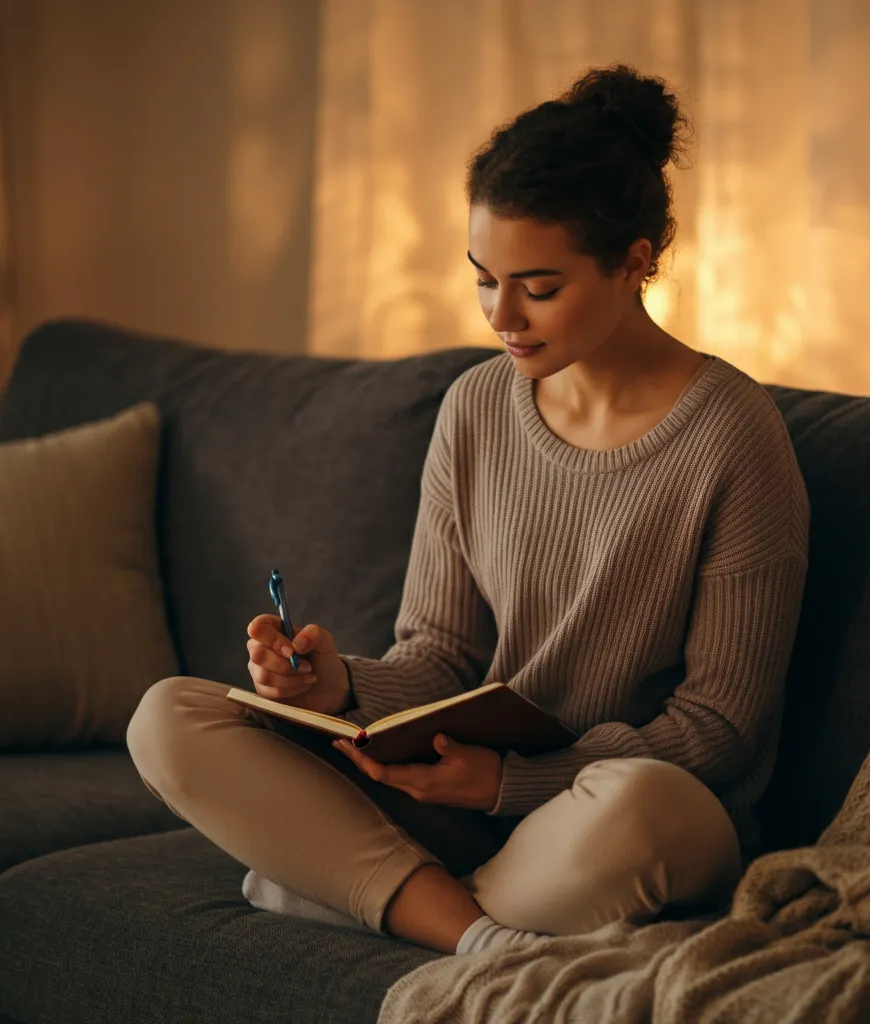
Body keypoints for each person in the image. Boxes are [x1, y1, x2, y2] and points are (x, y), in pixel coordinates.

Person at [126, 63, 810, 958]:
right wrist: (338, 689)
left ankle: (371, 893)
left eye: (540, 285)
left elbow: (719, 729)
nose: (502, 315)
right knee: (171, 717)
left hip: (613, 813)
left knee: (645, 807)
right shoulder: (476, 408)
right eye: (484, 278)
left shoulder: (733, 434)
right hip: (465, 807)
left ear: (635, 263)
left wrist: (508, 784)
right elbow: (441, 655)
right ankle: (481, 933)